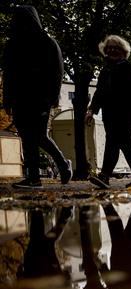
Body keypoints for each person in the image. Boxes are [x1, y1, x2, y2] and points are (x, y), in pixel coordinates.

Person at [2, 6, 73, 189]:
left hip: (40, 97)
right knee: (27, 136)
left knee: (39, 135)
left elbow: (57, 72)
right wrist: (7, 101)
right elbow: (8, 74)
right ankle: (35, 177)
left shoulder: (47, 42)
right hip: (20, 98)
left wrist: (52, 96)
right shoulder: (12, 45)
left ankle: (59, 167)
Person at [86, 35, 131, 189]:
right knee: (121, 142)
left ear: (123, 51)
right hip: (109, 113)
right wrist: (91, 110)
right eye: (108, 48)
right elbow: (99, 94)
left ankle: (105, 176)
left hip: (128, 111)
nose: (111, 50)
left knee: (118, 141)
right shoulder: (105, 71)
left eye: (115, 48)